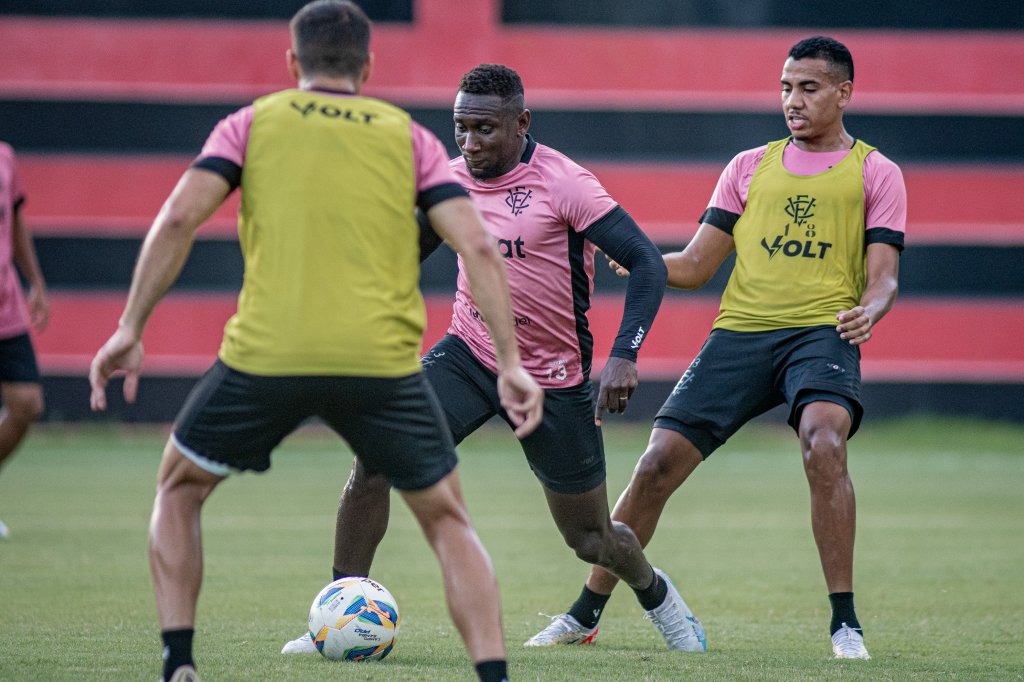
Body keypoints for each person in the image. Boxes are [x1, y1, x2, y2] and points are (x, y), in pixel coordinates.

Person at [88, 4, 544, 682]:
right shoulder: (410, 139)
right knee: (447, 521)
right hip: (377, 362)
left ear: (293, 63)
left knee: (179, 489)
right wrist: (509, 363)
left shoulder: (251, 124)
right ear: (367, 68)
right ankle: (493, 676)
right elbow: (477, 246)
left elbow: (180, 217)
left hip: (268, 353)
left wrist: (130, 326)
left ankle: (179, 662)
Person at [282, 63, 707, 655]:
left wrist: (623, 355)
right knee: (375, 458)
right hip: (471, 355)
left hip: (552, 378)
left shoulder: (566, 184)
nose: (469, 142)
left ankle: (656, 594)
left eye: (484, 129)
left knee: (589, 538)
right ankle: (334, 614)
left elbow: (647, 262)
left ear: (521, 122)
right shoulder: (448, 181)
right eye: (460, 127)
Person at [526, 36, 906, 660]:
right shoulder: (748, 166)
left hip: (821, 334)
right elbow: (698, 264)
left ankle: (845, 624)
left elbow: (885, 275)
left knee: (824, 443)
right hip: (740, 334)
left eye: (808, 88)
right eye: (786, 87)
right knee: (655, 465)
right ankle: (584, 613)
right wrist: (645, 261)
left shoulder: (875, 171)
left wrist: (872, 307)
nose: (793, 100)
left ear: (844, 93)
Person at [0, 141, 49, 539]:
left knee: (27, 403)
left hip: (6, 306)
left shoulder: (5, 157)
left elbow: (14, 221)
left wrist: (35, 281)